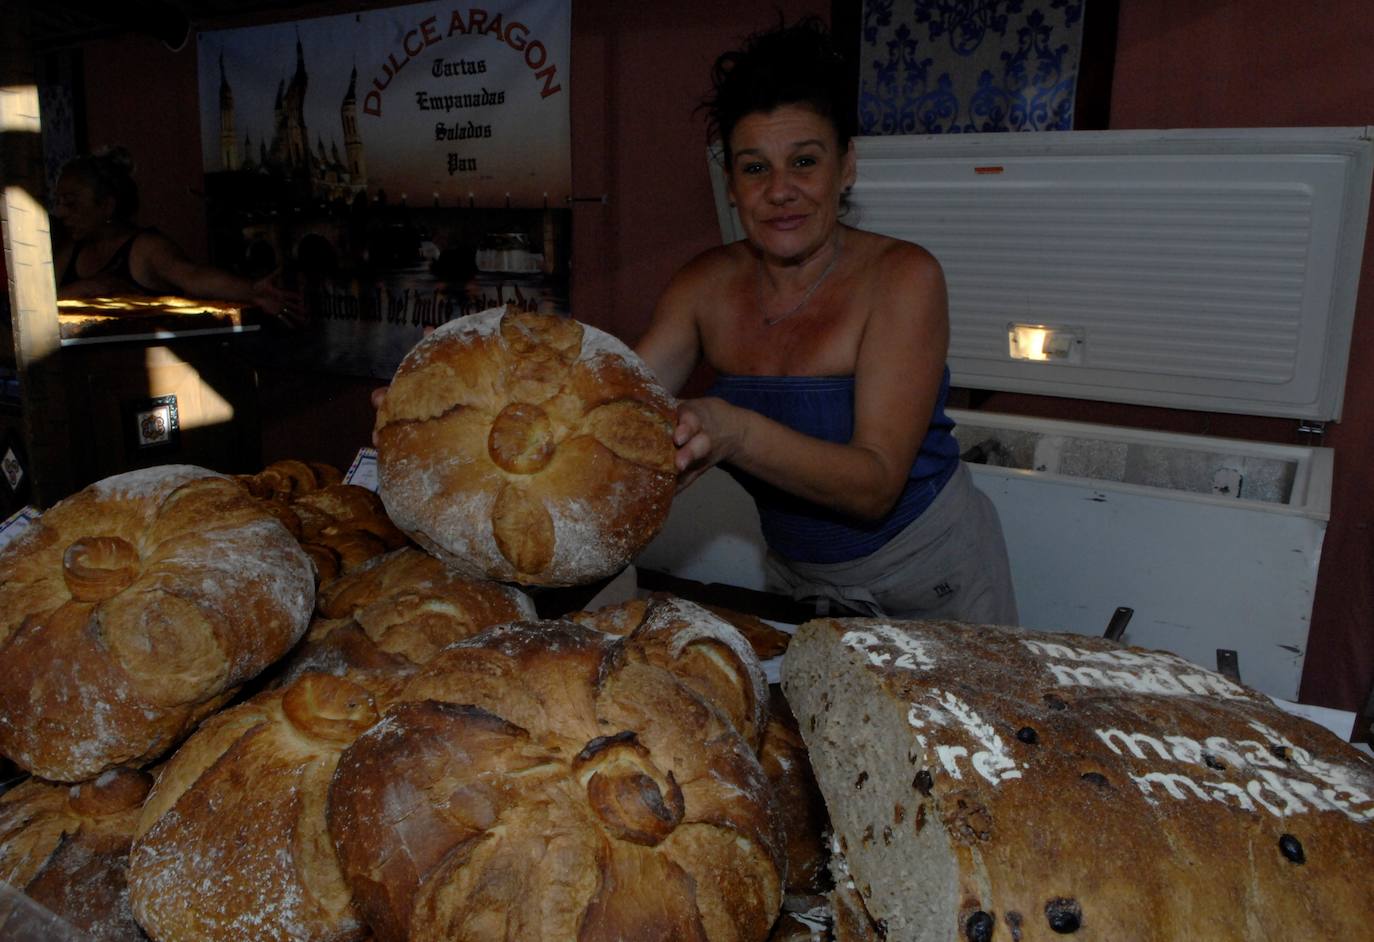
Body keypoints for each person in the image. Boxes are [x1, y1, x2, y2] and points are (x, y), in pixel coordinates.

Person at [633, 17, 1017, 624]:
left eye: (805, 161)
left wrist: (735, 431)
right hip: (804, 580)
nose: (780, 190)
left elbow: (874, 486)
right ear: (730, 184)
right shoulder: (701, 285)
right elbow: (616, 405)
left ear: (847, 168)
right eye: (755, 168)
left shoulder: (904, 276)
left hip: (934, 578)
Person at [50, 147, 301, 324]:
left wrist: (250, 291)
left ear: (107, 205)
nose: (60, 212)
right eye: (58, 202)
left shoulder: (145, 249)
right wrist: (83, 289)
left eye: (71, 203)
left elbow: (192, 276)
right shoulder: (69, 250)